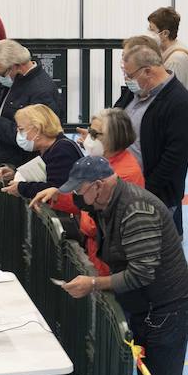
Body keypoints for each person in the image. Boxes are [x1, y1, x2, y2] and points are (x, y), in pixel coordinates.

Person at [59, 157, 188, 375]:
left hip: (167, 311)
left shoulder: (137, 211)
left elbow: (141, 272)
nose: (78, 197)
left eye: (81, 190)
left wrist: (93, 285)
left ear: (100, 185)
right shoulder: (109, 202)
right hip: (149, 309)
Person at [33, 108, 144, 275]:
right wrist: (56, 195)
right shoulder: (103, 162)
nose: (88, 138)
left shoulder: (122, 174)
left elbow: (91, 225)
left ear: (114, 137)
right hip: (97, 253)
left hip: (110, 263)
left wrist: (79, 206)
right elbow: (84, 199)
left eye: (94, 133)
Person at [116, 43, 188, 220]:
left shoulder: (179, 104)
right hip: (126, 188)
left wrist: (145, 191)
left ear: (147, 71)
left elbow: (173, 159)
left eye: (130, 75)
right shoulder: (136, 92)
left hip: (153, 197)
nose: (127, 79)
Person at [0, 38, 61, 168]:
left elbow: (37, 136)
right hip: (9, 165)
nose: (1, 78)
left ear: (15, 66)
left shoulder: (41, 91)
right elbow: (10, 108)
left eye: (2, 73)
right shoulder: (18, 80)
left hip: (23, 166)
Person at [0, 104, 83, 206]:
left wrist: (21, 188)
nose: (18, 134)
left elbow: (54, 190)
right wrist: (15, 175)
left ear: (37, 129)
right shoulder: (46, 149)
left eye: (21, 129)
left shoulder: (62, 150)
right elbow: (42, 176)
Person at [146, 7, 188, 87]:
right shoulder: (160, 49)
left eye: (152, 30)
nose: (149, 33)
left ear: (165, 33)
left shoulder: (176, 59)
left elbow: (169, 89)